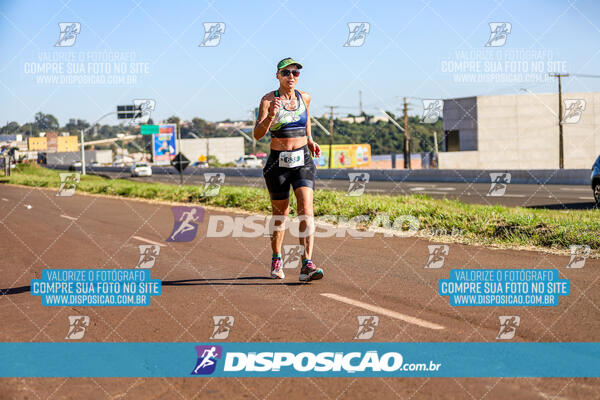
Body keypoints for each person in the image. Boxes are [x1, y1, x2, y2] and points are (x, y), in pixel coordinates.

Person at [253, 57, 323, 282]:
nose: (291, 76)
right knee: (280, 215)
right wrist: (271, 115)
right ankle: (276, 258)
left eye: (295, 73)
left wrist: (310, 140)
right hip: (278, 163)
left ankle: (307, 263)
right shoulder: (267, 100)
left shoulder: (305, 97)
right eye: (286, 73)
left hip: (302, 159)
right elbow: (257, 134)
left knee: (306, 209)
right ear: (278, 76)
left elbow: (307, 120)